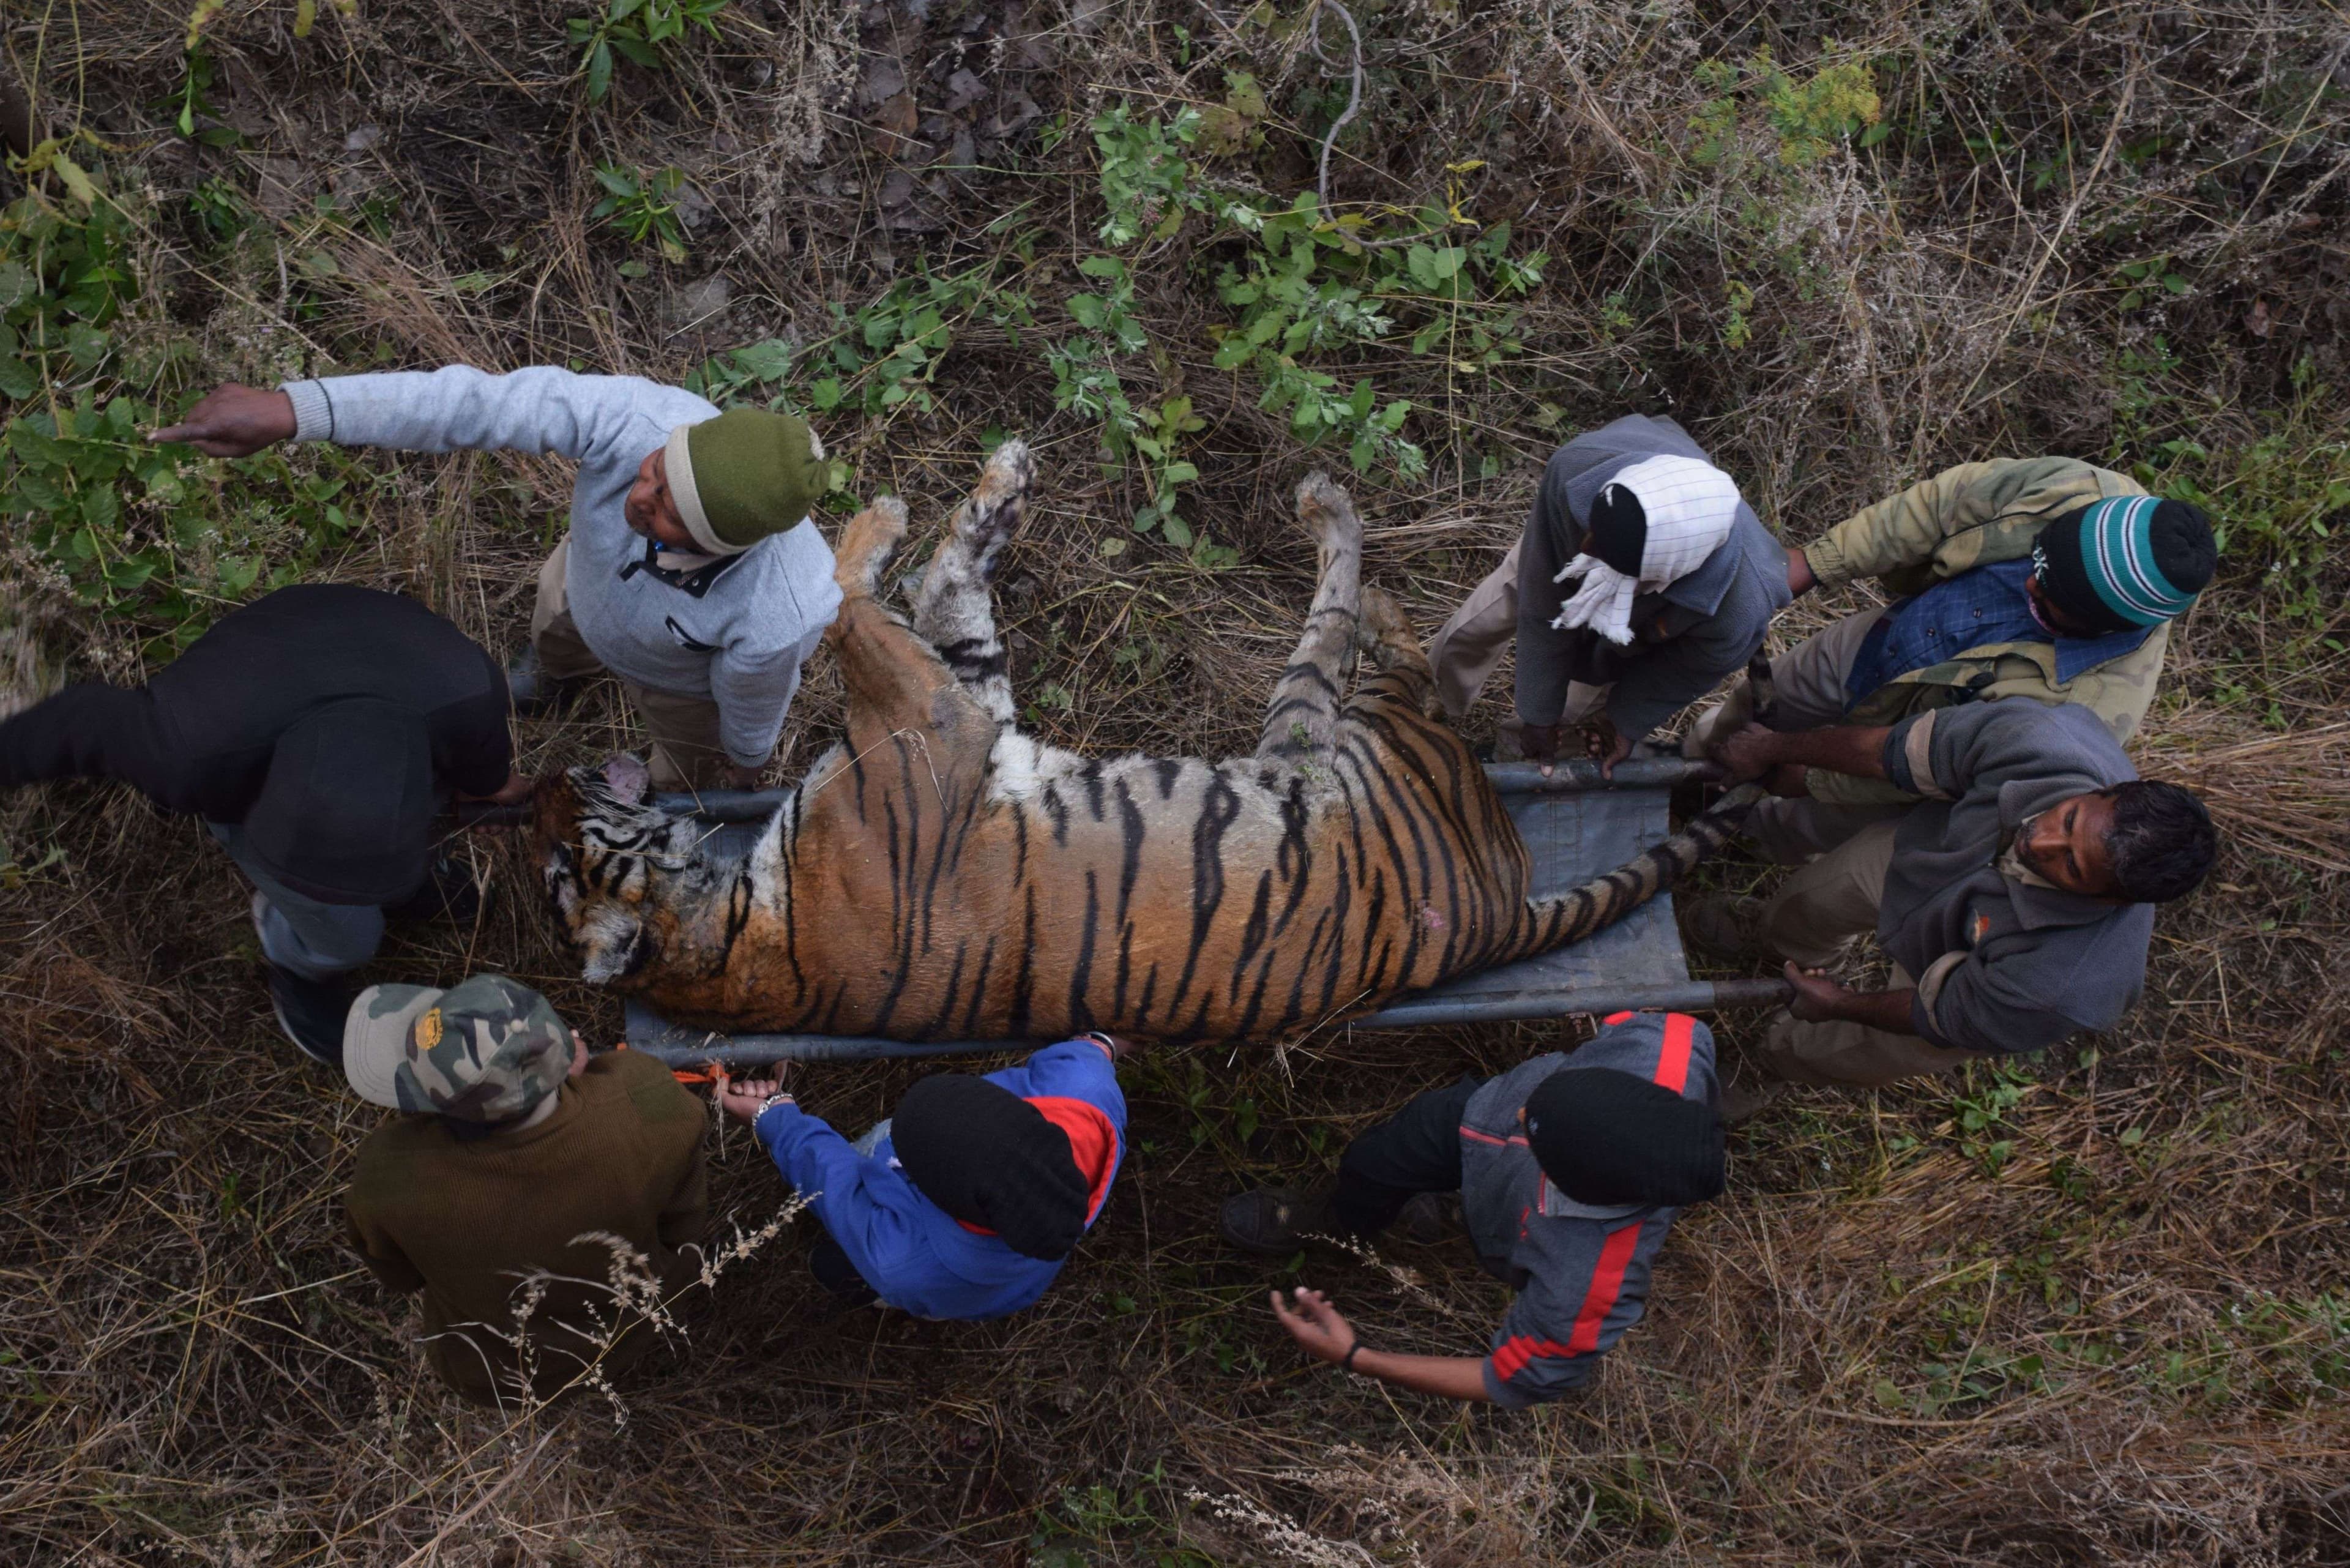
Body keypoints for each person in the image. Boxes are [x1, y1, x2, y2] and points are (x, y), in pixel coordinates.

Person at [152, 365, 841, 793]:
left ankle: (660, 795)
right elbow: (474, 405)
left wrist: (746, 761)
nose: (638, 498)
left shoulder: (777, 610)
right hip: (584, 586)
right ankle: (551, 674)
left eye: (665, 512)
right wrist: (298, 410)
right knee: (557, 614)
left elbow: (752, 702)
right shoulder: (636, 418)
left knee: (685, 761)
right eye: (654, 471)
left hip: (678, 683)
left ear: (721, 546)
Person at [0, 584, 528, 1062]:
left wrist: (501, 791)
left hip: (351, 655)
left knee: (376, 878)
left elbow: (489, 782)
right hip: (253, 690)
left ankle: (397, 885)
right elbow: (83, 719)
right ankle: (298, 961)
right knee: (349, 937)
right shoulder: (183, 753)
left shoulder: (467, 692)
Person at [1683, 461, 2217, 866]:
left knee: (1808, 820)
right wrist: (1815, 565)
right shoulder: (2084, 492)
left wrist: (1816, 781)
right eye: (2038, 563)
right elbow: (1943, 503)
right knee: (1756, 708)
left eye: (2050, 599)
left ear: (2102, 626)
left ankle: (1739, 842)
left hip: (1912, 741)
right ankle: (1690, 783)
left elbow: (1934, 767)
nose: (2028, 583)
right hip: (1881, 643)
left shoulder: (2080, 714)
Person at [1699, 698, 2216, 1108]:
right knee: (1818, 898)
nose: (2039, 842)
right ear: (2108, 790)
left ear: (2112, 899)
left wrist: (1838, 1004)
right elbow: (1887, 751)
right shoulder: (2036, 739)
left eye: (2072, 867)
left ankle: (1771, 1060)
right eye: (2071, 819)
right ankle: (1771, 942)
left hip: (1981, 973)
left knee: (1864, 1046)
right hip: (1932, 858)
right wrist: (1775, 747)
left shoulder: (2066, 984)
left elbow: (1939, 1013)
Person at [1222, 1011, 1725, 1407]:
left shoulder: (1586, 1282)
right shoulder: (1666, 1046)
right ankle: (1337, 1223)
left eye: (1534, 1131)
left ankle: (1456, 1214)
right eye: (1545, 1098)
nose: (1522, 1112)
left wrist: (1358, 1357)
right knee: (1371, 1162)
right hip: (1474, 1115)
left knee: (1479, 1221)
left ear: (1583, 1188)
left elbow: (1508, 1378)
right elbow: (1630, 1022)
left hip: (1504, 1221)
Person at [341, 974, 709, 1405]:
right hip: (635, 1330)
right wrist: (580, 1084)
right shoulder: (645, 1097)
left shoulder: (389, 1175)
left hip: (490, 1375)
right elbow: (685, 1224)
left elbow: (400, 1278)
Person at [1427, 413, 1788, 775]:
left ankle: (1512, 758)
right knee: (1482, 621)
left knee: (1582, 699)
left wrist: (1624, 721)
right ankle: (1423, 710)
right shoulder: (1580, 471)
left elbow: (1682, 673)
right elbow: (1542, 606)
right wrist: (1538, 710)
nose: (1586, 547)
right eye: (1591, 532)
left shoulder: (1741, 606)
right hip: (1579, 542)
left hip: (1660, 614)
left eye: (1602, 550)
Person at [717, 1032, 1129, 1319]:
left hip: (938, 1280)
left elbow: (838, 1184)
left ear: (936, 1195)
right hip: (1021, 1276)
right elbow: (1097, 1046)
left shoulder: (902, 1259)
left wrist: (775, 1116)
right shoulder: (1085, 1092)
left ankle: (886, 1299)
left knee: (839, 1262)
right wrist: (1103, 1042)